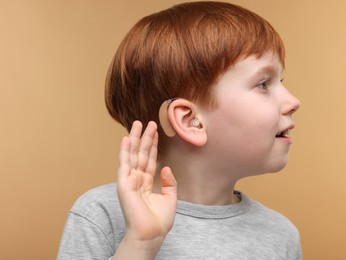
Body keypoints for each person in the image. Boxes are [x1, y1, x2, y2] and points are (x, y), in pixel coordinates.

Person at [57, 1, 302, 259]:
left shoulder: (281, 236)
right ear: (190, 121)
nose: (293, 102)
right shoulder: (101, 216)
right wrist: (140, 243)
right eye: (264, 84)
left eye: (281, 81)